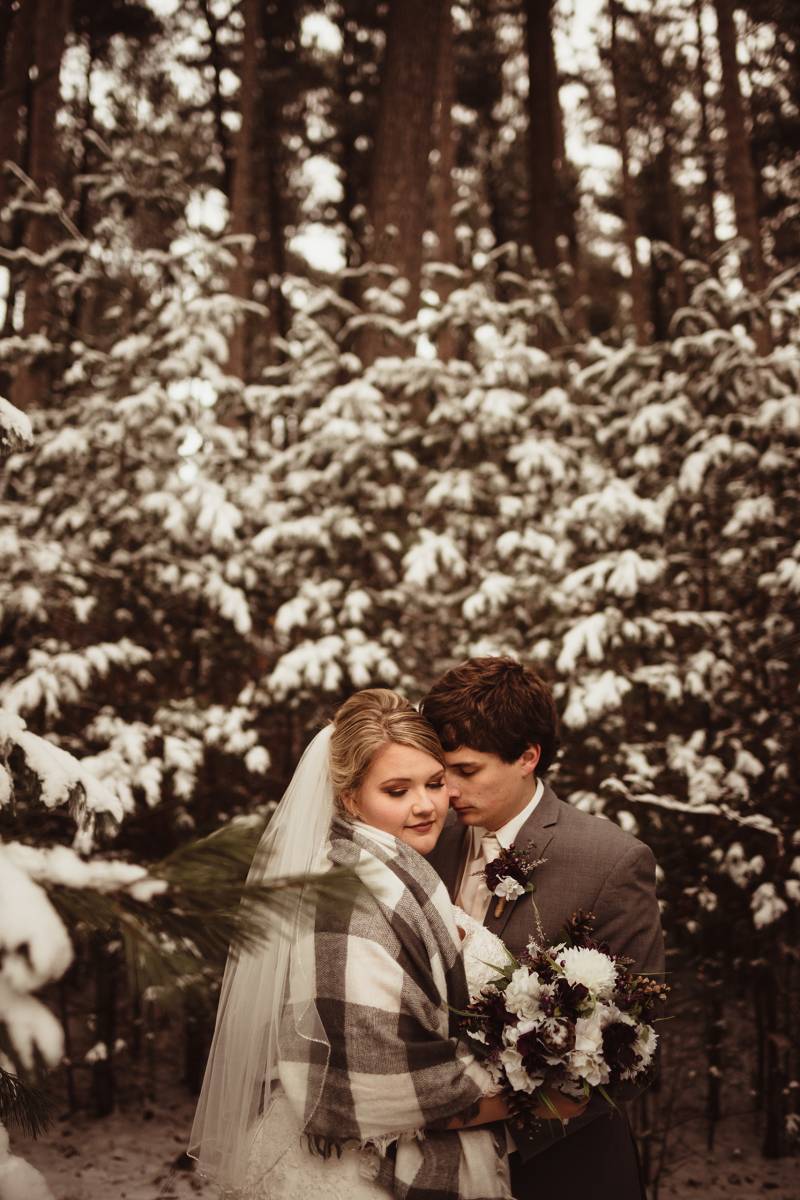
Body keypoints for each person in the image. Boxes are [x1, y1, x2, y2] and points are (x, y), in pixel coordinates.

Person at [189, 688, 581, 1200]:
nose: (425, 805)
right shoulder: (349, 897)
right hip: (353, 1177)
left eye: (435, 783)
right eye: (396, 791)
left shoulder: (397, 873)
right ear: (351, 798)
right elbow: (377, 1083)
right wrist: (538, 1097)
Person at [422, 657, 665, 1200]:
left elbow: (637, 1053)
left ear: (528, 756)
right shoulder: (424, 841)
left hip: (563, 1168)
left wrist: (477, 1115)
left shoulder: (612, 861)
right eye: (442, 772)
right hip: (429, 1168)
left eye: (466, 771)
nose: (447, 792)